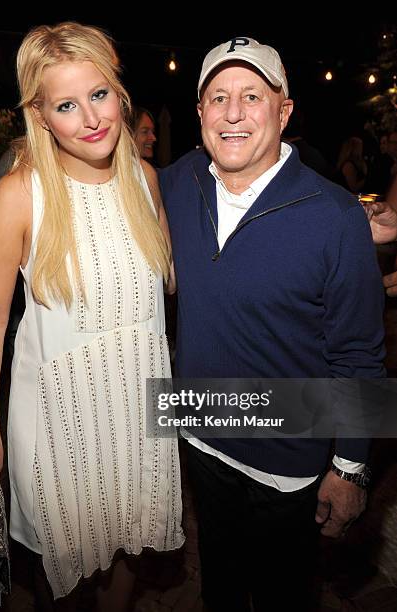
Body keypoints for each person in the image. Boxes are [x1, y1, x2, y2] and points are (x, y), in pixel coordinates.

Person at [159, 37, 385, 612]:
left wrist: (351, 468)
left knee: (285, 597)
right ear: (201, 114)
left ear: (284, 112)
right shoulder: (172, 186)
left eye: (252, 96)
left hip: (289, 457)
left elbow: (359, 354)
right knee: (221, 591)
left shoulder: (335, 217)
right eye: (218, 97)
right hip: (200, 429)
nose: (233, 113)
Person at [0, 22, 184, 610]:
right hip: (61, 418)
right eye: (66, 104)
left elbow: (168, 286)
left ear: (119, 92)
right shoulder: (20, 194)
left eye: (100, 94)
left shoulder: (145, 180)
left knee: (131, 549)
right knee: (63, 573)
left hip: (138, 405)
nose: (91, 118)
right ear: (40, 116)